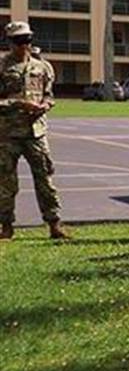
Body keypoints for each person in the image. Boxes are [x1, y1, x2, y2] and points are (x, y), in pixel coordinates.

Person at [0, 21, 69, 240]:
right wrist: (18, 104)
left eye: (27, 40)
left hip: (36, 133)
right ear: (10, 42)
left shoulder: (43, 67)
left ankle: (54, 224)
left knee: (45, 179)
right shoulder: (2, 67)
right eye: (19, 41)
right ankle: (6, 226)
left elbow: (49, 95)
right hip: (8, 134)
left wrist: (46, 105)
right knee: (5, 182)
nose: (24, 45)